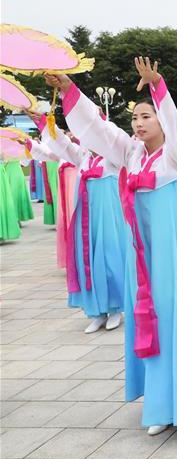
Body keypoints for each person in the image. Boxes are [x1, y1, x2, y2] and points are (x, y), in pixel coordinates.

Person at [44, 58, 177, 435]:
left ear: (161, 121)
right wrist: (68, 89)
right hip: (141, 254)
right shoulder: (131, 153)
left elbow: (175, 126)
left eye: (146, 116)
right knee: (147, 317)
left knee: (173, 315)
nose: (138, 123)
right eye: (135, 118)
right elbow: (97, 128)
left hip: (171, 254)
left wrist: (158, 86)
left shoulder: (176, 154)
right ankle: (159, 402)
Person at [26, 111, 130, 334]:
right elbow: (60, 144)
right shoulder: (82, 156)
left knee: (109, 258)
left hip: (108, 218)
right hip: (84, 217)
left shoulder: (113, 158)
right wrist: (42, 121)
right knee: (88, 260)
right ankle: (96, 311)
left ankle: (115, 309)